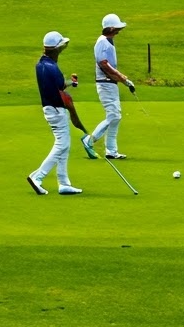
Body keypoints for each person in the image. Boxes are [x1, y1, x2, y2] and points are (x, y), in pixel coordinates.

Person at [28, 30, 94, 195]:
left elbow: (59, 86)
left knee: (65, 145)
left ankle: (64, 183)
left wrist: (71, 83)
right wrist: (79, 123)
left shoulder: (42, 64)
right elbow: (62, 95)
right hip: (56, 110)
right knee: (62, 145)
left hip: (51, 108)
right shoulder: (52, 67)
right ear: (56, 48)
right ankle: (38, 177)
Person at [93, 13, 136, 159]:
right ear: (111, 28)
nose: (119, 31)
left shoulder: (107, 41)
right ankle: (90, 140)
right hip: (105, 83)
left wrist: (123, 81)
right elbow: (103, 64)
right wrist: (123, 78)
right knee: (114, 116)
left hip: (110, 83)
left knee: (116, 117)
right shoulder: (102, 42)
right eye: (117, 28)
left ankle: (111, 151)